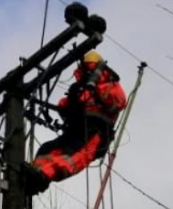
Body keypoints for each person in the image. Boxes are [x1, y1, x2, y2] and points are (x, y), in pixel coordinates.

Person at [25, 50, 126, 195]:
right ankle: (34, 173)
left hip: (96, 131)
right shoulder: (81, 88)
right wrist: (70, 101)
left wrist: (96, 86)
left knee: (72, 157)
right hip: (76, 129)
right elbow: (65, 106)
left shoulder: (110, 84)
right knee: (47, 148)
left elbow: (119, 101)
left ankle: (43, 175)